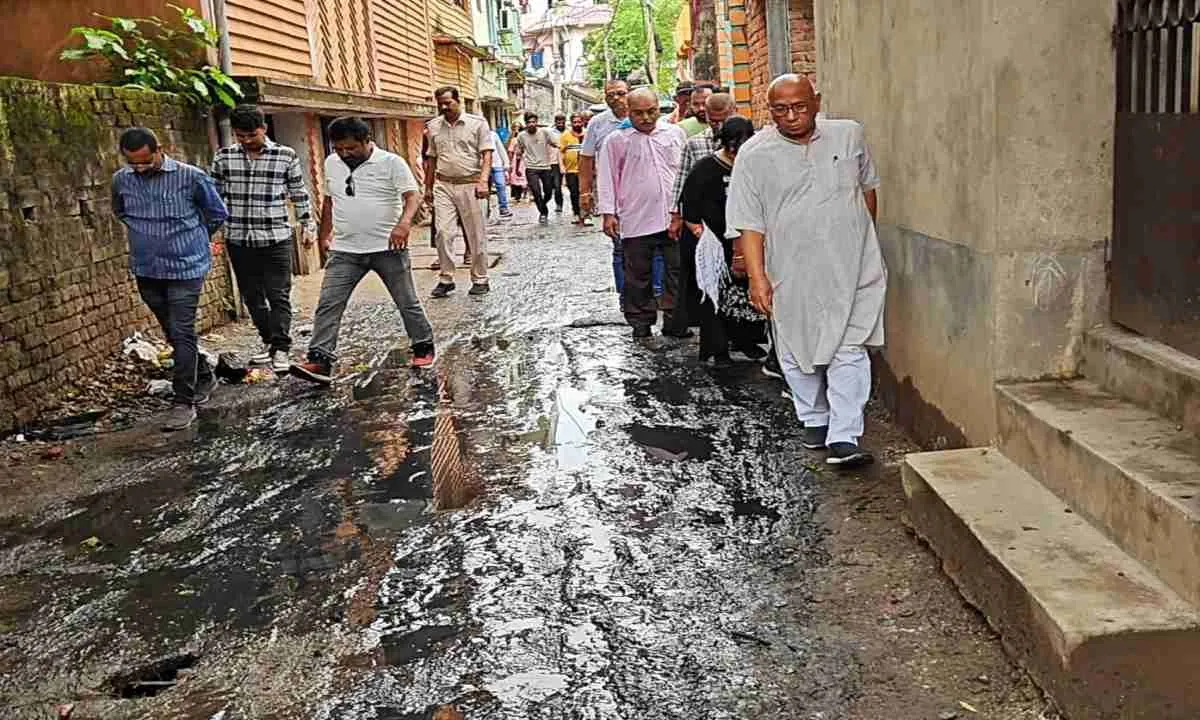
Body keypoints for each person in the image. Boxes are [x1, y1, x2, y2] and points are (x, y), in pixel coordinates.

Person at [727, 74, 884, 468]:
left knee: (851, 346)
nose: (792, 116)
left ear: (816, 102)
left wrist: (863, 238)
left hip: (853, 265)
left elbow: (867, 189)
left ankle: (845, 435)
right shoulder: (754, 154)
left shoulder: (849, 135)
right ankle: (814, 416)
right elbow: (749, 223)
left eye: (799, 106)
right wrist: (757, 277)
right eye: (781, 109)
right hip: (791, 269)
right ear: (769, 110)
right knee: (797, 347)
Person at [290, 117, 435, 385]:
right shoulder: (332, 163)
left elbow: (412, 196)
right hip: (345, 249)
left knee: (406, 301)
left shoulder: (391, 163)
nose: (345, 154)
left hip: (388, 247)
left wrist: (404, 225)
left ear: (367, 141)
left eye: (351, 148)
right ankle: (320, 359)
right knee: (328, 303)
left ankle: (423, 345)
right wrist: (325, 234)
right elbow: (330, 200)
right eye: (339, 148)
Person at [111, 127, 228, 431]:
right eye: (133, 163)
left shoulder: (191, 177)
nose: (139, 168)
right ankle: (203, 375)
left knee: (181, 329)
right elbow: (120, 212)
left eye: (145, 161)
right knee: (173, 333)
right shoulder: (121, 180)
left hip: (185, 267)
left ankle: (183, 402)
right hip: (146, 268)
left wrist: (190, 239)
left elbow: (216, 213)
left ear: (159, 150)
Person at [210, 105, 312, 374]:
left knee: (278, 294)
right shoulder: (223, 158)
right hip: (238, 237)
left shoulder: (285, 155)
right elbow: (213, 198)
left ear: (263, 129)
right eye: (240, 136)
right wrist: (209, 232)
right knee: (252, 297)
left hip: (275, 237)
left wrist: (307, 225)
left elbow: (299, 192)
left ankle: (281, 348)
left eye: (251, 135)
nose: (245, 141)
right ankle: (269, 342)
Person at [596, 87, 689, 339]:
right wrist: (608, 213)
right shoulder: (616, 140)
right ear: (628, 112)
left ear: (660, 108)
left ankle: (675, 320)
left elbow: (685, 171)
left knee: (677, 270)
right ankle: (640, 322)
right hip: (635, 217)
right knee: (637, 274)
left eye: (651, 111)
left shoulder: (674, 134)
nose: (646, 118)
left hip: (673, 217)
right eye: (639, 113)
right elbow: (607, 177)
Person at [680, 117, 766, 365]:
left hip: (746, 241)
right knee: (714, 298)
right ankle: (717, 350)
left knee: (744, 296)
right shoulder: (705, 169)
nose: (737, 153)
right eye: (732, 147)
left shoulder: (754, 168)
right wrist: (707, 242)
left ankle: (746, 342)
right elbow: (690, 211)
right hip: (712, 243)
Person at [668, 92, 740, 334]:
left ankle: (742, 335)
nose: (718, 126)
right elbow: (682, 181)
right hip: (707, 225)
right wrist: (676, 216)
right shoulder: (696, 143)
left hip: (740, 222)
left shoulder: (749, 141)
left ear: (734, 111)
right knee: (711, 278)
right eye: (713, 120)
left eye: (723, 120)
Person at [424, 85, 493, 298]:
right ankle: (446, 278)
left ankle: (480, 279)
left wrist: (483, 181)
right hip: (443, 185)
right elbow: (431, 159)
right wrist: (427, 188)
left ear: (458, 101)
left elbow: (487, 156)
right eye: (440, 104)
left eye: (448, 103)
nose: (444, 107)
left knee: (476, 234)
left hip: (471, 184)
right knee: (443, 232)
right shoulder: (432, 127)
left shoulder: (478, 124)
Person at [512, 111, 558, 225]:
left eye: (534, 122)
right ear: (526, 123)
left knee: (548, 192)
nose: (532, 124)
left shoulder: (545, 132)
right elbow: (519, 153)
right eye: (529, 122)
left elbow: (555, 143)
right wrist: (517, 168)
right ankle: (543, 213)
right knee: (536, 192)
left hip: (546, 167)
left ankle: (542, 203)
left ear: (537, 122)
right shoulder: (521, 136)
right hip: (531, 168)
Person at [558, 112, 589, 225]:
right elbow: (561, 152)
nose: (577, 124)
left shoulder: (588, 134)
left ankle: (586, 214)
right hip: (571, 170)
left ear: (583, 122)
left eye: (579, 122)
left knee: (585, 193)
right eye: (574, 122)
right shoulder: (565, 135)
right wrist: (561, 166)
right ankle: (576, 213)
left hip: (585, 170)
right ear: (571, 123)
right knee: (574, 193)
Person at [489, 129, 512, 219]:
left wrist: (506, 163)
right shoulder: (475, 134)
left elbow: (501, 149)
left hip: (497, 165)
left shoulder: (493, 135)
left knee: (501, 185)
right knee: (486, 189)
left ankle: (503, 208)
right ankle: (486, 209)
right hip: (482, 166)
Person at [547, 113, 566, 213]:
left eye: (562, 122)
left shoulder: (568, 132)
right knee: (557, 185)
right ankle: (559, 204)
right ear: (555, 122)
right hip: (554, 162)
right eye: (558, 122)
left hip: (568, 161)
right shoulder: (550, 133)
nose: (560, 124)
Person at [506, 123, 527, 203]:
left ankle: (525, 194)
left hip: (525, 160)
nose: (516, 130)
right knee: (515, 177)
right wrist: (510, 161)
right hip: (516, 161)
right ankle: (517, 195)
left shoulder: (524, 138)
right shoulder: (513, 139)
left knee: (525, 177)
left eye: (518, 127)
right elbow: (510, 151)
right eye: (515, 128)